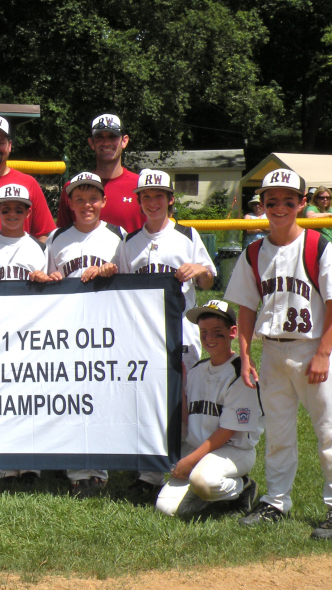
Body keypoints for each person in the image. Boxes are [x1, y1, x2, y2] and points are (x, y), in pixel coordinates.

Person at [225, 168, 332, 540]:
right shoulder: (253, 252)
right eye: (271, 201)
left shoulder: (317, 245)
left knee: (330, 432)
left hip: (313, 347)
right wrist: (246, 356)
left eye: (288, 201)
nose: (279, 207)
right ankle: (276, 501)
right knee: (278, 433)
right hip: (273, 353)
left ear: (302, 203)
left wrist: (324, 353)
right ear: (261, 205)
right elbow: (246, 308)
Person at [117, 169, 215, 499]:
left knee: (186, 402)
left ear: (171, 200)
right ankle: (149, 473)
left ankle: (184, 465)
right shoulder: (130, 243)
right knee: (150, 402)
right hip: (145, 337)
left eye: (159, 196)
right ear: (139, 200)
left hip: (183, 334)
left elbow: (209, 279)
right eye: (146, 196)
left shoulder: (186, 235)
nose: (152, 202)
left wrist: (200, 270)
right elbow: (121, 290)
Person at [46, 172, 122, 497]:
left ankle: (100, 470)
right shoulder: (56, 237)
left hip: (106, 328)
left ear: (103, 201)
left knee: (101, 397)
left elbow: (135, 284)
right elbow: (48, 276)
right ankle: (77, 470)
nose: (87, 204)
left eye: (93, 198)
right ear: (70, 202)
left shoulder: (119, 236)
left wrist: (111, 271)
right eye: (79, 198)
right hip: (68, 329)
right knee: (73, 398)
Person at [155, 300, 263, 519]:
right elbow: (189, 418)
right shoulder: (197, 370)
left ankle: (243, 487)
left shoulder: (240, 373)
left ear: (233, 332)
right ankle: (211, 495)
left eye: (217, 332)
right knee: (166, 508)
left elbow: (227, 432)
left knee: (203, 481)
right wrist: (182, 384)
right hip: (199, 450)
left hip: (233, 451)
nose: (209, 338)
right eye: (204, 332)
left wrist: (190, 461)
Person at [0, 183, 48, 483]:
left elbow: (55, 286)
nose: (13, 214)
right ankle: (4, 464)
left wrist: (46, 279)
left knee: (30, 396)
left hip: (31, 333)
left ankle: (32, 464)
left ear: (29, 212)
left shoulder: (39, 246)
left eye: (19, 209)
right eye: (6, 209)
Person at [56, 114, 144, 233]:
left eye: (113, 137)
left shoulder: (141, 187)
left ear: (124, 141)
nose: (106, 142)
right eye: (99, 137)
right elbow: (63, 238)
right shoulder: (73, 188)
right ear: (91, 143)